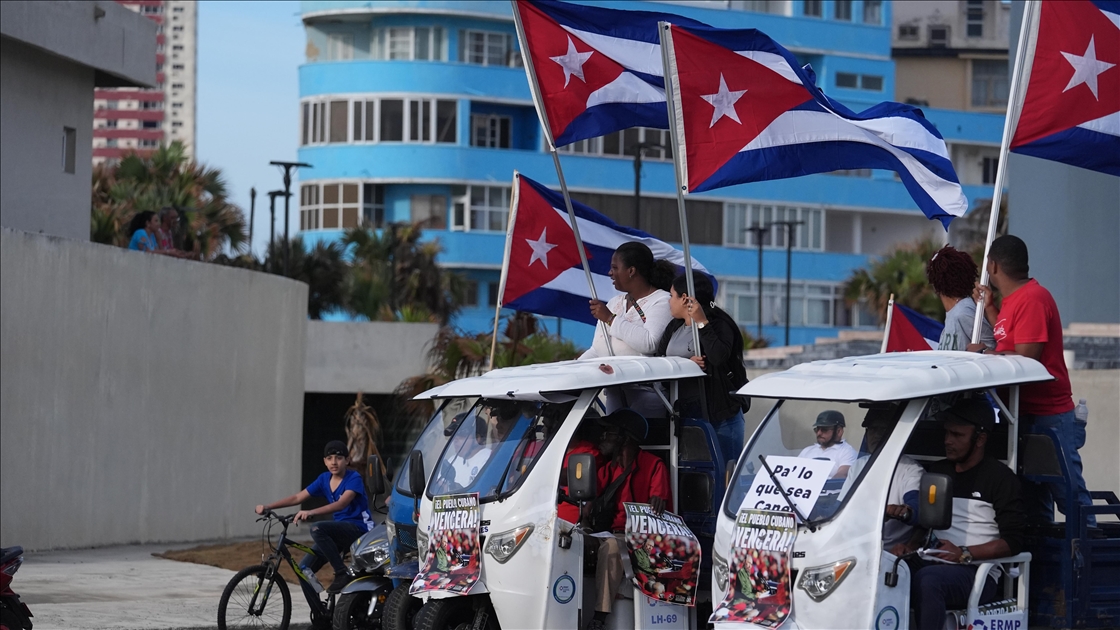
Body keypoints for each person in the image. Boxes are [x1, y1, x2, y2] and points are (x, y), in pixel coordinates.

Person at [967, 235, 1092, 527]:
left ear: (993, 265)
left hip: (1047, 415)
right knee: (1034, 503)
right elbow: (1009, 338)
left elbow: (1027, 359)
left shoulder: (1033, 299)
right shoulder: (1014, 301)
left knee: (1068, 494)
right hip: (1023, 413)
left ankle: (1090, 554)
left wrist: (984, 352)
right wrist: (989, 309)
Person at [892, 397, 1026, 630]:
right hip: (931, 559)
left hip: (975, 571)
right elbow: (926, 522)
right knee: (883, 567)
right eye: (947, 434)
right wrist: (910, 544)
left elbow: (1013, 542)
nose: (948, 441)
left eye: (957, 435)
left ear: (980, 439)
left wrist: (963, 553)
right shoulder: (939, 471)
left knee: (929, 581)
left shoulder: (1001, 479)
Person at [587, 409, 672, 630]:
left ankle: (599, 617)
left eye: (609, 433)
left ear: (625, 438)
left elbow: (657, 511)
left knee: (613, 547)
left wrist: (657, 502)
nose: (602, 438)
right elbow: (588, 506)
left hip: (640, 538)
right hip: (606, 533)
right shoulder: (607, 470)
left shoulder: (653, 466)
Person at [255, 440, 374, 593]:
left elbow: (341, 504)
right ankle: (319, 612)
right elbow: (298, 498)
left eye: (338, 458)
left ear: (347, 460)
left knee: (317, 528)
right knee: (304, 569)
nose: (334, 462)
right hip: (339, 532)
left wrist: (311, 512)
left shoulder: (354, 478)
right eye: (329, 458)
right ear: (325, 461)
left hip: (360, 529)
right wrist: (268, 507)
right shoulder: (324, 479)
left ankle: (341, 572)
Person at [656, 273, 749, 463]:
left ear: (685, 299)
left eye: (672, 296)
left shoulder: (719, 324)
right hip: (685, 414)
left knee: (725, 472)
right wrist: (683, 365)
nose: (668, 301)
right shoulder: (674, 327)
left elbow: (718, 357)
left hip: (720, 414)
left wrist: (701, 323)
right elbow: (659, 361)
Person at [839, 406, 924, 550]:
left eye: (883, 430)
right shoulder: (859, 465)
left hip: (888, 551)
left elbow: (915, 507)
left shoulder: (911, 470)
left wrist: (902, 511)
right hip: (852, 545)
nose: (876, 435)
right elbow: (841, 506)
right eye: (872, 429)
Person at [581, 241, 675, 359]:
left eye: (615, 268)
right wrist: (572, 367)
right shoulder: (614, 302)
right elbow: (596, 350)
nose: (610, 273)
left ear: (631, 271)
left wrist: (610, 319)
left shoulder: (661, 301)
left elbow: (650, 343)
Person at [925, 245, 995, 351]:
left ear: (936, 285)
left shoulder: (964, 311)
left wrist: (983, 351)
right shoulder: (955, 312)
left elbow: (993, 347)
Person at [797, 411, 857, 478]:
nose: (819, 433)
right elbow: (795, 472)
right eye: (817, 429)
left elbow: (843, 474)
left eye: (824, 429)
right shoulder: (807, 451)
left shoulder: (847, 451)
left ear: (839, 431)